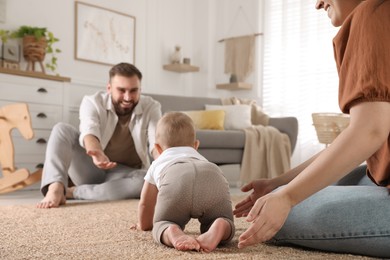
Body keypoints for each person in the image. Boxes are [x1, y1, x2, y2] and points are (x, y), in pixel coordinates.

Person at [234, 0, 390, 258]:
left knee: (273, 219)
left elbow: (370, 131)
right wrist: (279, 184)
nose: (318, 3)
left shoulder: (372, 13)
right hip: (380, 178)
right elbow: (361, 136)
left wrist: (286, 199)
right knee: (282, 197)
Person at [37, 63, 161, 209]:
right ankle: (56, 187)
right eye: (121, 90)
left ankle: (75, 192)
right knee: (61, 129)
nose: (128, 97)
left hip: (125, 174)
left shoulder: (151, 106)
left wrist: (167, 168)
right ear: (109, 88)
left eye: (133, 91)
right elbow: (89, 130)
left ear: (140, 89)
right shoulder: (92, 102)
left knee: (145, 182)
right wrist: (97, 152)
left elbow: (156, 142)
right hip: (91, 168)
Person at [132, 112, 235, 252]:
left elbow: (145, 202)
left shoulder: (157, 164)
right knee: (225, 219)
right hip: (212, 174)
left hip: (176, 180)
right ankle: (220, 224)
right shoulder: (201, 158)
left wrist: (143, 225)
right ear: (196, 145)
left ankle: (171, 230)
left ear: (157, 148)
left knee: (162, 223)